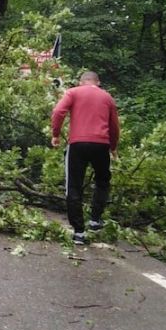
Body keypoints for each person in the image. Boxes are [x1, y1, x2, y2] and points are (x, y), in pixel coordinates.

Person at [51, 71, 120, 245]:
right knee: (103, 181)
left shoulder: (74, 92)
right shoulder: (107, 97)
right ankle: (95, 220)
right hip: (101, 145)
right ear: (98, 82)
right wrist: (113, 147)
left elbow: (58, 111)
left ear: (81, 81)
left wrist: (56, 134)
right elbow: (114, 126)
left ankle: (79, 232)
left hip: (78, 144)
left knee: (73, 185)